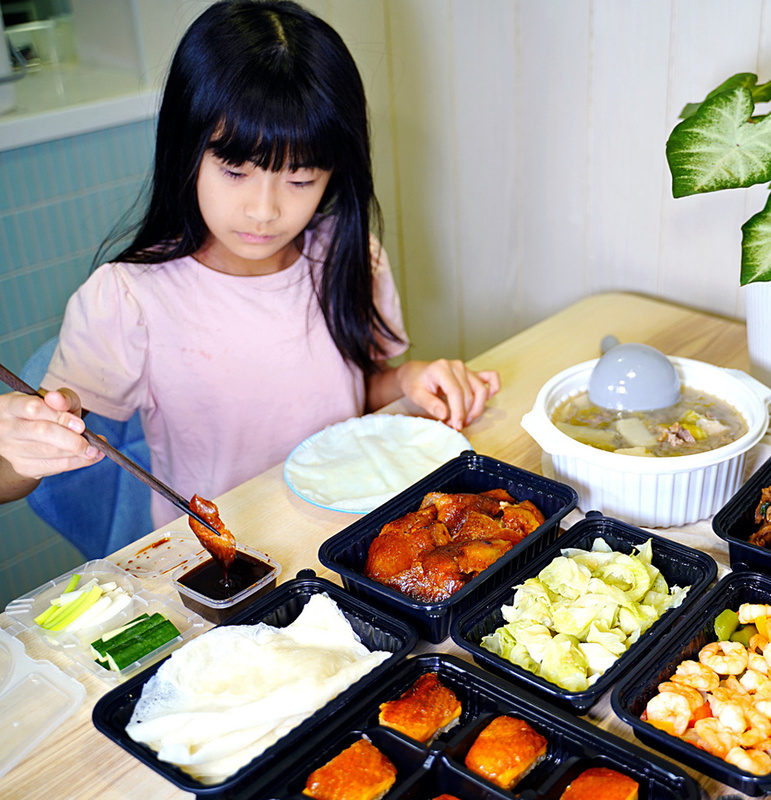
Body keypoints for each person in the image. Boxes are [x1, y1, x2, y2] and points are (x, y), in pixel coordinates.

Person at [0, 0, 499, 527]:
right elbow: (18, 474)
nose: (265, 211)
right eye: (235, 171)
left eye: (301, 179)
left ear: (336, 174)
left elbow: (356, 390)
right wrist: (18, 445)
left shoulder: (348, 258)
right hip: (224, 558)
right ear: (185, 152)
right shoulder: (131, 298)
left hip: (349, 533)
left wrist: (408, 381)